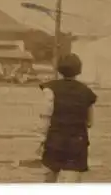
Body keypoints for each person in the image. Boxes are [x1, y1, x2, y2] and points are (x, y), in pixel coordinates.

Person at [35, 53, 97, 183]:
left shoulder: (50, 89)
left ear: (59, 68)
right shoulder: (86, 91)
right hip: (77, 141)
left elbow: (45, 117)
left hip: (55, 139)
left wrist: (41, 139)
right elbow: (90, 122)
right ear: (79, 69)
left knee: (49, 178)